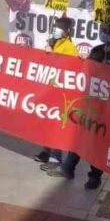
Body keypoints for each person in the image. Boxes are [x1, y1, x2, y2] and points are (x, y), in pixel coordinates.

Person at [47, 23, 110, 188]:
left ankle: (95, 176)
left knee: (98, 142)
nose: (105, 34)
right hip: (88, 101)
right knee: (79, 135)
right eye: (104, 30)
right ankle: (68, 168)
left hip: (105, 106)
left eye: (109, 32)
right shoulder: (97, 50)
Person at [35, 17, 79, 168]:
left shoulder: (69, 48)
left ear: (67, 31)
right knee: (46, 122)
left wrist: (52, 56)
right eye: (55, 26)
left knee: (57, 124)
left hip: (61, 92)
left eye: (59, 27)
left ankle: (55, 157)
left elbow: (67, 67)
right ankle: (46, 151)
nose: (56, 29)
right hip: (49, 89)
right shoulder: (53, 42)